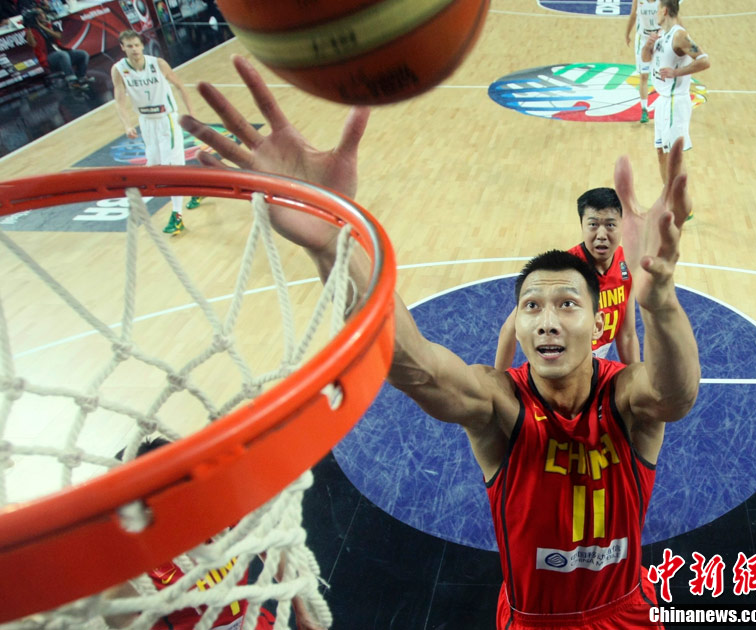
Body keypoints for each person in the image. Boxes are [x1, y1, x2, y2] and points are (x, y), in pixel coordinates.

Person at [180, 55, 700, 630]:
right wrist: (335, 242)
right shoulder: (500, 405)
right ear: (518, 326)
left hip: (625, 614)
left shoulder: (626, 398)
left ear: (598, 319)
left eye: (567, 305)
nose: (547, 321)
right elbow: (414, 365)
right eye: (531, 306)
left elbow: (675, 395)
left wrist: (659, 301)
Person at [105, 437, 325, 630]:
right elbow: (118, 616)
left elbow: (272, 549)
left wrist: (302, 610)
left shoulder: (219, 516)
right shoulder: (137, 570)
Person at [495, 187, 640, 371]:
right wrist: (499, 379)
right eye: (593, 225)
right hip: (561, 366)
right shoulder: (562, 272)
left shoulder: (627, 264)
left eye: (610, 225)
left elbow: (627, 335)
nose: (601, 235)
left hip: (591, 367)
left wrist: (637, 378)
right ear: (582, 226)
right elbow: (510, 328)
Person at [111, 30, 196, 235]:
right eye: (129, 46)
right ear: (123, 48)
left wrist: (191, 115)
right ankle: (195, 189)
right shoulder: (119, 69)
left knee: (171, 169)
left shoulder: (158, 64)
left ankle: (177, 216)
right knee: (155, 167)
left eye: (136, 45)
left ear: (142, 45)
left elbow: (180, 86)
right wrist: (127, 125)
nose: (134, 49)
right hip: (146, 122)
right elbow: (119, 100)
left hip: (167, 119)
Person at [642, 0, 710, 189]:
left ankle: (681, 201)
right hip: (662, 101)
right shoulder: (661, 34)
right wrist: (647, 47)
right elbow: (646, 60)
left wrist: (677, 72)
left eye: (657, 10)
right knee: (661, 152)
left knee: (675, 156)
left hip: (675, 102)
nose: (655, 13)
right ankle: (668, 197)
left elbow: (704, 61)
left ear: (664, 11)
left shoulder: (679, 35)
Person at [23, 7, 90, 90]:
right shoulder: (32, 31)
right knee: (62, 55)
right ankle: (72, 81)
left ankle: (81, 76)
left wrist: (42, 26)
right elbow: (32, 44)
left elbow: (59, 36)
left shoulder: (49, 25)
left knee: (83, 54)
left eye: (42, 13)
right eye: (38, 15)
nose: (42, 15)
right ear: (35, 18)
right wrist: (29, 28)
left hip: (60, 52)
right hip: (48, 58)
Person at [625, 0, 660, 123]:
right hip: (643, 39)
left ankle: (665, 106)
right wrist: (627, 33)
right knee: (644, 76)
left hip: (659, 38)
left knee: (661, 74)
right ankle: (644, 109)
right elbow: (633, 14)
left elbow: (669, 17)